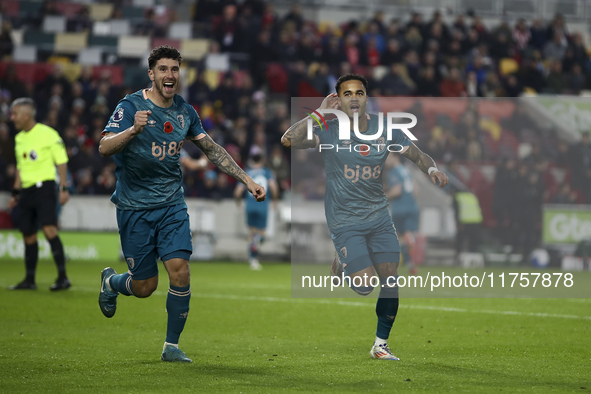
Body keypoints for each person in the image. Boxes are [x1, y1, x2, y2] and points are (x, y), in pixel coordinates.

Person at [97, 45, 266, 363]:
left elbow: (213, 150)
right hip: (135, 208)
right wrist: (134, 129)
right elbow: (104, 147)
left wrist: (247, 180)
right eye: (163, 69)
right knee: (145, 286)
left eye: (174, 69)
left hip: (172, 205)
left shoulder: (185, 112)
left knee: (180, 272)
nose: (169, 75)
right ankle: (111, 281)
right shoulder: (131, 105)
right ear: (151, 74)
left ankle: (171, 346)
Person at [281, 74, 448, 361]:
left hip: (379, 216)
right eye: (347, 94)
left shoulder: (385, 129)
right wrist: (320, 112)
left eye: (359, 92)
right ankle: (343, 260)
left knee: (390, 278)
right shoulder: (329, 129)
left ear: (366, 97)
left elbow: (418, 154)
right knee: (364, 286)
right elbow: (288, 140)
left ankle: (380, 345)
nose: (354, 97)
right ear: (340, 100)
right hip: (344, 219)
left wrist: (432, 170)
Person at [7, 97, 71, 291]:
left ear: (27, 115)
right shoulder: (19, 138)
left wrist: (63, 188)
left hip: (44, 188)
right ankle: (29, 280)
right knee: (28, 234)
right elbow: (20, 168)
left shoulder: (48, 134)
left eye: (15, 114)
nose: (12, 118)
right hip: (26, 191)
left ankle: (63, 278)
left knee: (49, 229)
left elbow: (61, 161)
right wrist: (15, 193)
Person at [233, 151, 279, 270]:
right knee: (262, 234)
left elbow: (238, 191)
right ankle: (257, 245)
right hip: (262, 205)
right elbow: (273, 187)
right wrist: (274, 201)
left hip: (250, 205)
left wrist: (238, 203)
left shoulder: (247, 173)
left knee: (251, 234)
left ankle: (253, 260)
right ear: (262, 160)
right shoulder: (267, 172)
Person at [384, 153, 420, 275]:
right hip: (412, 207)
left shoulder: (393, 172)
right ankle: (412, 266)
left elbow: (397, 191)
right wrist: (410, 202)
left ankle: (409, 241)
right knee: (407, 236)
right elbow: (416, 189)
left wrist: (383, 198)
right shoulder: (407, 171)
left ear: (396, 157)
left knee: (400, 239)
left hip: (400, 209)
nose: (386, 160)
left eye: (388, 157)